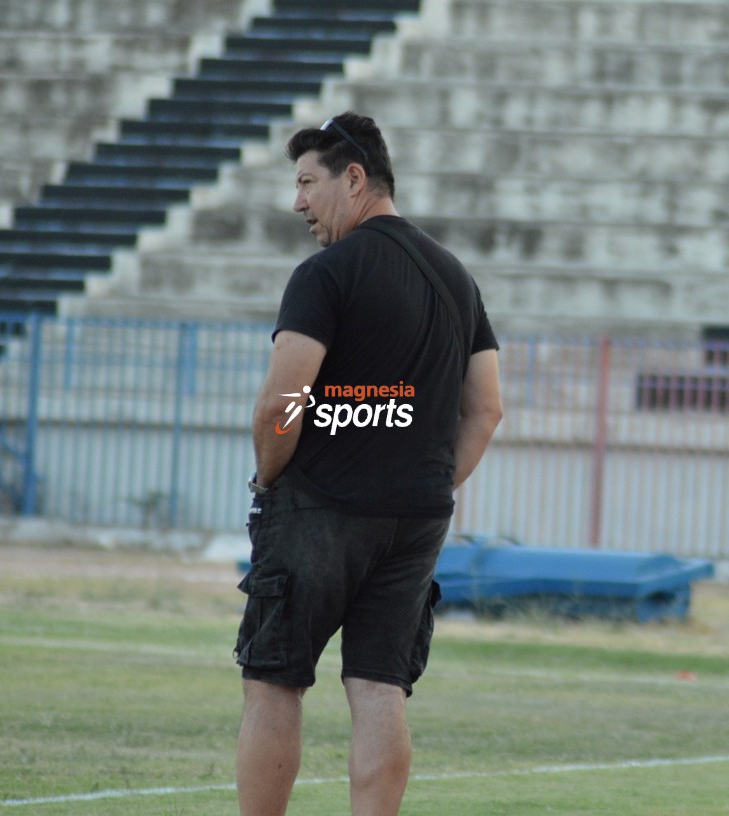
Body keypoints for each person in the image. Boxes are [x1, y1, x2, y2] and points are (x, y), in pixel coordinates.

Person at [234, 111, 503, 816]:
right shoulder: (456, 277)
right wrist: (427, 484)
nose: (297, 202)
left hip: (319, 507)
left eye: (306, 183)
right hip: (416, 519)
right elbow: (487, 409)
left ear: (353, 179)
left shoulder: (326, 274)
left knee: (274, 680)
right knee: (380, 686)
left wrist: (269, 477)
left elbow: (281, 404)